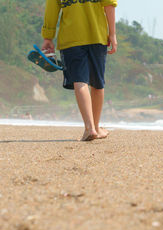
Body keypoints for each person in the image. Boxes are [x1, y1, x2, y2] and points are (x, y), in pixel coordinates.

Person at [41, 0, 117, 141]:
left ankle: (90, 128)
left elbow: (52, 9)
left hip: (71, 38)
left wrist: (48, 37)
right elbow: (109, 4)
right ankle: (96, 127)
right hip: (97, 36)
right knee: (97, 83)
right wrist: (112, 34)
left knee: (80, 80)